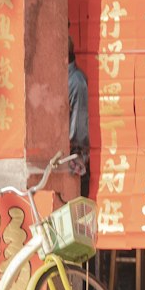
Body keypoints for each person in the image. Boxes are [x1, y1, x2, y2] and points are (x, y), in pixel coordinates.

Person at [68, 37, 90, 197]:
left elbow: (79, 128)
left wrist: (76, 156)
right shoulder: (62, 78)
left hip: (74, 165)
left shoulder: (76, 82)